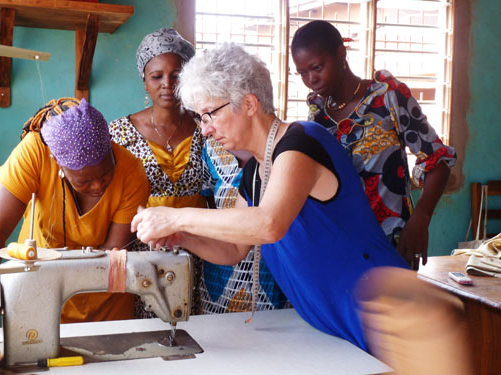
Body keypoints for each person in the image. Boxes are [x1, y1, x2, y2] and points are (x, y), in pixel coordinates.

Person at [130, 44, 472, 374]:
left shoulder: (301, 143)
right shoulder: (254, 173)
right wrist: (183, 235)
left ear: (249, 104)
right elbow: (233, 248)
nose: (205, 129)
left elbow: (268, 224)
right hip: (337, 324)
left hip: (387, 314)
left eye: (209, 114)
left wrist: (173, 214)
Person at [0, 98, 150, 323]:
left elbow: (110, 257)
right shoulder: (35, 152)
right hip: (37, 296)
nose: (98, 186)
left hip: (106, 307)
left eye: (106, 174)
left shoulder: (132, 172)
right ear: (57, 163)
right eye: (85, 181)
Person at [290, 20, 456, 270]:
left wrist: (420, 220)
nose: (311, 79)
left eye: (317, 67)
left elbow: (438, 160)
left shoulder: (387, 97)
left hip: (391, 243)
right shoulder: (317, 115)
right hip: (340, 248)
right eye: (302, 73)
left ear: (341, 54)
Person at [109, 28, 205, 314]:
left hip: (202, 248)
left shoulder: (208, 126)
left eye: (176, 75)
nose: (167, 84)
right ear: (144, 81)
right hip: (143, 250)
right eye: (157, 76)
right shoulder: (119, 133)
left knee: (200, 330)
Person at [199, 139, 289, 313]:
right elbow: (209, 199)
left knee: (274, 332)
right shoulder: (211, 148)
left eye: (212, 113)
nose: (204, 128)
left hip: (270, 272)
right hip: (221, 273)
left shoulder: (286, 148)